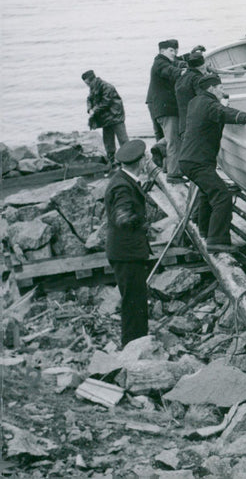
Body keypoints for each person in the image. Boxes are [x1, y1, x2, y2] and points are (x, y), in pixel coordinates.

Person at [179, 74, 246, 253]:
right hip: (198, 162)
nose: (223, 91)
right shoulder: (209, 105)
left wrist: (221, 105)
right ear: (211, 89)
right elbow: (221, 112)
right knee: (222, 196)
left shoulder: (195, 102)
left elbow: (216, 110)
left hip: (190, 159)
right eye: (221, 88)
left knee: (207, 193)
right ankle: (217, 241)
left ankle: (205, 230)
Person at [104, 139, 151, 347]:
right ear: (140, 161)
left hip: (125, 252)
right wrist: (144, 223)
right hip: (127, 254)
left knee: (136, 300)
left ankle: (136, 342)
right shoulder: (123, 186)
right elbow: (123, 218)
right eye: (145, 158)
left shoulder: (122, 179)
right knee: (133, 302)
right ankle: (133, 346)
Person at [146, 39, 186, 183]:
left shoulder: (164, 61)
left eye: (175, 50)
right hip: (167, 110)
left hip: (164, 110)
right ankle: (173, 175)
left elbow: (176, 62)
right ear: (162, 51)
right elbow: (170, 71)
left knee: (173, 138)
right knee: (174, 141)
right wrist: (183, 72)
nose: (174, 53)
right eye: (171, 50)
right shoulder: (160, 63)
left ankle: (165, 162)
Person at [82, 70, 128, 167]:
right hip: (106, 119)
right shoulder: (93, 87)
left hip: (116, 117)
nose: (87, 85)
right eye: (86, 84)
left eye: (88, 83)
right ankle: (112, 162)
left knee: (123, 140)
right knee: (108, 142)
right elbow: (89, 99)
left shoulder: (107, 87)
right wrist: (89, 109)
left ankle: (130, 160)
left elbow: (106, 102)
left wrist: (94, 110)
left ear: (93, 80)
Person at [175, 51, 206, 140]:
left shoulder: (181, 78)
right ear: (203, 66)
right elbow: (203, 100)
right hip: (195, 126)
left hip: (183, 125)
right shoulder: (197, 79)